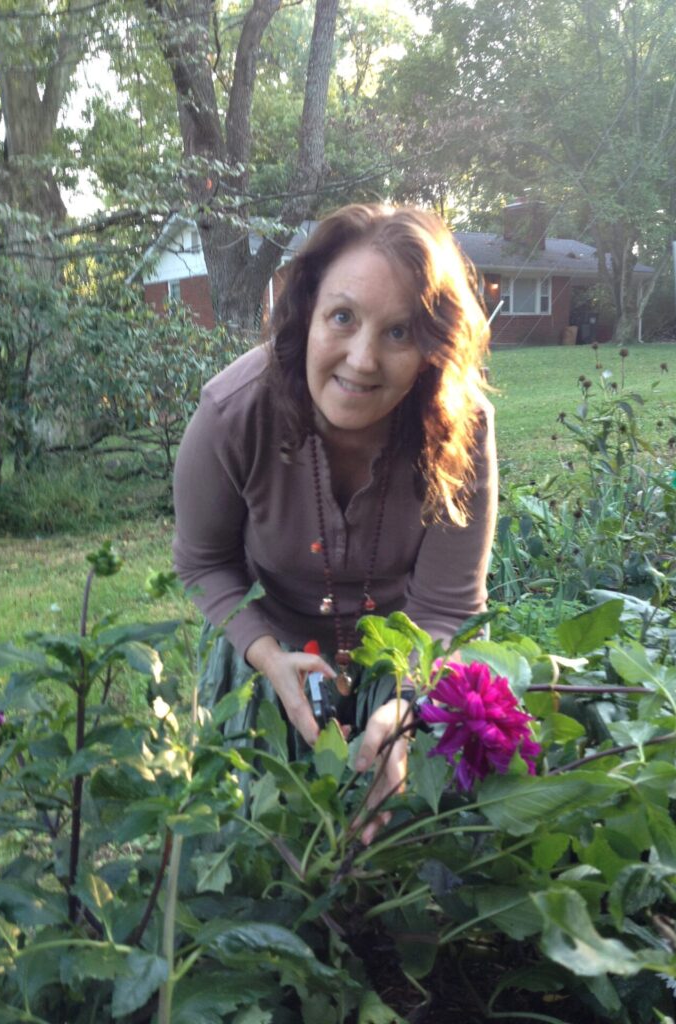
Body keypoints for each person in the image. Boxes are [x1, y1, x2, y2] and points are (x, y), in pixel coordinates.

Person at [172, 203, 498, 842]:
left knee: (411, 850)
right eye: (343, 318)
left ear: (434, 348)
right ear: (307, 315)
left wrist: (405, 708)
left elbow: (447, 609)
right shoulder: (232, 413)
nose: (363, 359)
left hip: (406, 657)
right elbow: (204, 563)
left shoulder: (464, 429)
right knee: (253, 848)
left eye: (400, 333)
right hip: (264, 642)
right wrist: (268, 657)